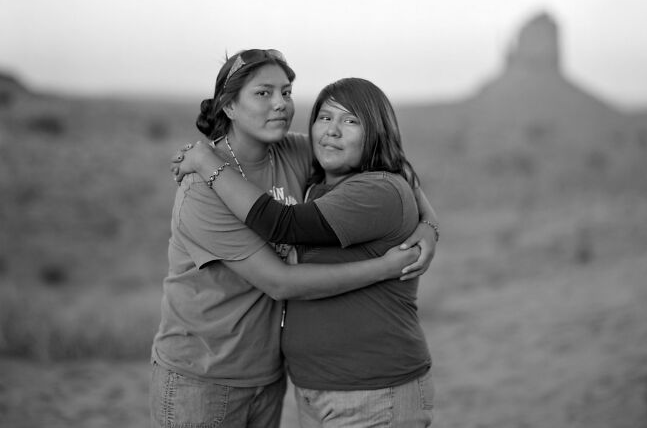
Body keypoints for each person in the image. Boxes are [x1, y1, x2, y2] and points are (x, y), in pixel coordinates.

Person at [153, 49, 437, 428]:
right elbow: (279, 281)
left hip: (269, 376)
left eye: (286, 93)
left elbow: (384, 161)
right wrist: (384, 267)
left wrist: (430, 224)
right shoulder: (203, 188)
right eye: (263, 93)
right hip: (202, 374)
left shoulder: (295, 151)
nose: (280, 105)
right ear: (229, 107)